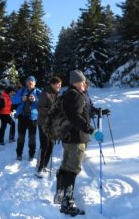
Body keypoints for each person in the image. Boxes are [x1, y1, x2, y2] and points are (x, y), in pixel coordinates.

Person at [55, 70, 96, 216]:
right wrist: (91, 130)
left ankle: (60, 195)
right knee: (72, 170)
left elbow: (81, 112)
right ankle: (67, 203)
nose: (84, 84)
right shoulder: (76, 95)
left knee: (66, 167)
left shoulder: (69, 94)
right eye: (82, 81)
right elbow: (75, 117)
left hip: (68, 138)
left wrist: (95, 112)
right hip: (76, 138)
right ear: (75, 82)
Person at [36, 76, 62, 178]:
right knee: (44, 145)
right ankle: (39, 168)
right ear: (52, 84)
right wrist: (51, 112)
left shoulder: (56, 94)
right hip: (43, 123)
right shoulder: (45, 93)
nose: (59, 86)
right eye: (57, 84)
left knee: (51, 145)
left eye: (60, 85)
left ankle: (44, 165)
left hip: (52, 124)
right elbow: (40, 108)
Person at [12, 76, 42, 161]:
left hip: (33, 118)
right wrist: (21, 98)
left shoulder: (38, 92)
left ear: (35, 83)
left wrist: (35, 100)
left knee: (32, 137)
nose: (30, 82)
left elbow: (43, 103)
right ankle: (19, 154)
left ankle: (31, 155)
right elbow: (13, 100)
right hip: (22, 117)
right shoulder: (21, 91)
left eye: (32, 81)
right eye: (28, 81)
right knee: (21, 137)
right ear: (26, 83)